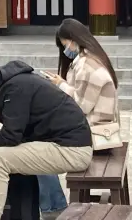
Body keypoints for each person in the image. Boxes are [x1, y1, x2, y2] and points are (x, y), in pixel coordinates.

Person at [0, 59, 93, 220]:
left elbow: (11, 136)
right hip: (70, 145)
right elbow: (17, 130)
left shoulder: (14, 88)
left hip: (72, 150)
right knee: (6, 155)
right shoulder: (19, 82)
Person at [37, 18, 121, 219]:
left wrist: (60, 85)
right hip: (99, 131)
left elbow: (81, 106)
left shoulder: (86, 65)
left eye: (65, 44)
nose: (66, 49)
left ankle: (53, 209)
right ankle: (53, 206)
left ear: (74, 40)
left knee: (38, 154)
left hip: (93, 136)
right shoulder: (91, 58)